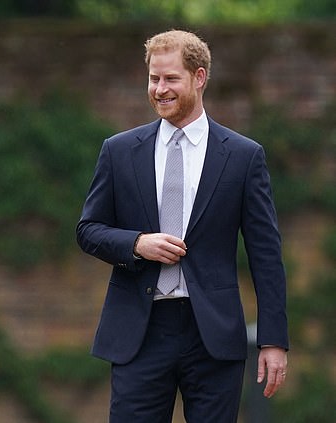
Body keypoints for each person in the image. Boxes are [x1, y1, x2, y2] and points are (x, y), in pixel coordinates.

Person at [76, 29, 288, 422]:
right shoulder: (119, 151)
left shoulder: (243, 157)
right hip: (139, 333)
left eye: (170, 79)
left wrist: (274, 340)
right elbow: (88, 230)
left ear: (199, 77)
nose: (159, 89)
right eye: (153, 79)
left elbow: (266, 255)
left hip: (213, 336)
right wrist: (137, 243)